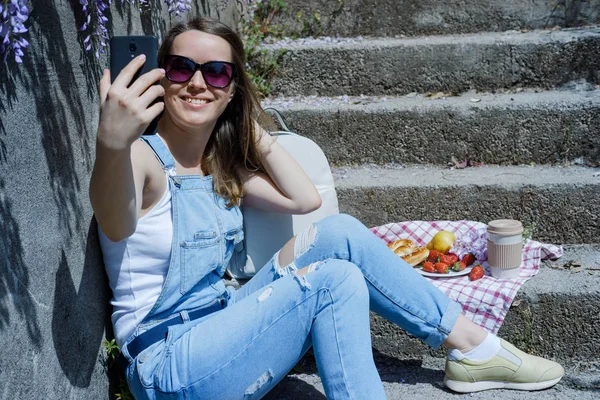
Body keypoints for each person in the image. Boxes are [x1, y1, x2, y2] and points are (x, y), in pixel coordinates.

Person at [90, 17, 564, 400]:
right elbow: (114, 221)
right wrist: (111, 143)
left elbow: (305, 201)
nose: (197, 82)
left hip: (224, 324)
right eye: (180, 68)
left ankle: (475, 348)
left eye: (216, 73)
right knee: (335, 281)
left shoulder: (218, 169)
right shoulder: (139, 157)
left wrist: (251, 129)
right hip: (170, 361)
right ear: (161, 77)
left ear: (231, 89)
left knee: (336, 232)